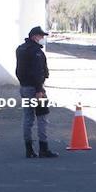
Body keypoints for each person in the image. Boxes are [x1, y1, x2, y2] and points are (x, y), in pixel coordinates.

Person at [16, 26, 58, 159]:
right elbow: (38, 72)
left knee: (28, 118)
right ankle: (43, 148)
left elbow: (19, 70)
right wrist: (39, 90)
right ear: (35, 37)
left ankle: (29, 149)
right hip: (35, 89)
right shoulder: (36, 52)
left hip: (24, 87)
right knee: (42, 118)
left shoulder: (20, 49)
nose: (42, 39)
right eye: (41, 36)